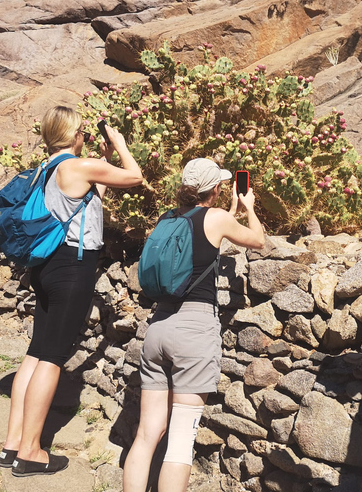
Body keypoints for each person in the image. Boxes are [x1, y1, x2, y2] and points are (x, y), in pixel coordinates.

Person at [0, 106, 144, 477]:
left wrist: (103, 159)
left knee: (36, 353)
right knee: (52, 358)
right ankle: (32, 452)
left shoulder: (46, 170)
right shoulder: (76, 166)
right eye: (83, 132)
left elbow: (90, 195)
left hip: (46, 267)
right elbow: (136, 177)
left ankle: (13, 444)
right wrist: (121, 145)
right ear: (74, 134)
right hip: (72, 269)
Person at [123, 158, 265, 492]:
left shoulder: (168, 218)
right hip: (193, 330)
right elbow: (257, 240)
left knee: (146, 434)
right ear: (215, 188)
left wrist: (228, 209)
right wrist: (249, 206)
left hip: (159, 327)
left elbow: (201, 237)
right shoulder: (217, 218)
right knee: (180, 440)